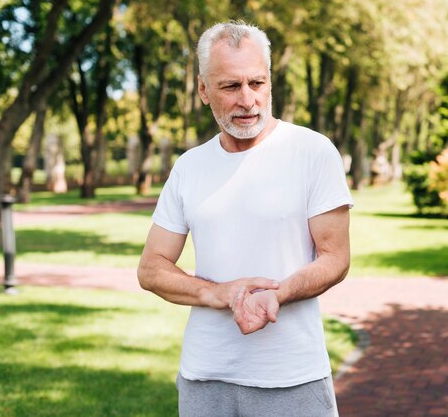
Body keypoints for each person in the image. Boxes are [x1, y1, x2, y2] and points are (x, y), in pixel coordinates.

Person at [137, 20, 353, 417]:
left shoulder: (313, 152)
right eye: (231, 86)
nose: (248, 100)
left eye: (257, 83)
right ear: (203, 90)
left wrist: (279, 293)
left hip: (292, 377)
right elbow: (151, 268)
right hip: (205, 378)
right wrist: (221, 293)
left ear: (270, 81)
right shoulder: (189, 166)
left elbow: (335, 258)